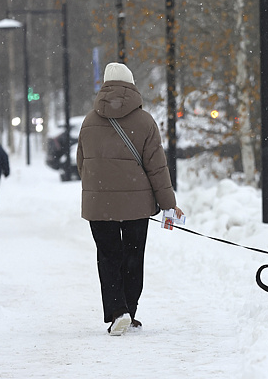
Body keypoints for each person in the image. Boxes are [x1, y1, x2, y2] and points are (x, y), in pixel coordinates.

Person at [77, 62, 184, 336]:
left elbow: (82, 164)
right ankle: (130, 310)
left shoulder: (89, 122)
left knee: (108, 257)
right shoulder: (145, 122)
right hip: (136, 206)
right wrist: (168, 205)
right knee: (134, 257)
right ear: (131, 85)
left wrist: (100, 187)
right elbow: (157, 168)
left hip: (99, 205)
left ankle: (118, 311)